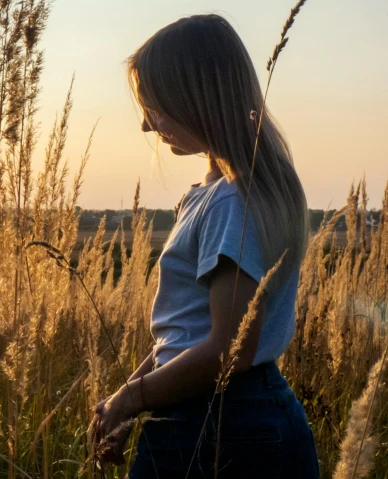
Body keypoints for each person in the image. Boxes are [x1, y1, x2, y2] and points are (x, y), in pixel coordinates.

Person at [92, 14, 319, 478]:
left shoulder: (231, 203)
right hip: (224, 414)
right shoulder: (217, 195)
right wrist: (127, 400)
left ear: (193, 98)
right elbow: (183, 336)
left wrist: (132, 398)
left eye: (153, 106)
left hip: (221, 423)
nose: (144, 126)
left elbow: (227, 350)